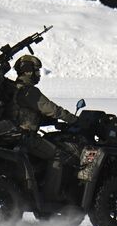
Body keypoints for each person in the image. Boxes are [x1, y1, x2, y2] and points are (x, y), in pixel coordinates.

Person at [10, 55, 78, 201]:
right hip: (25, 138)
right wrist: (73, 119)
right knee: (58, 155)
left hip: (12, 136)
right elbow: (52, 109)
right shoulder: (29, 91)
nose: (38, 74)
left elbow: (25, 115)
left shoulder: (11, 88)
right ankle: (50, 198)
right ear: (28, 71)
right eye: (36, 71)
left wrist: (52, 122)